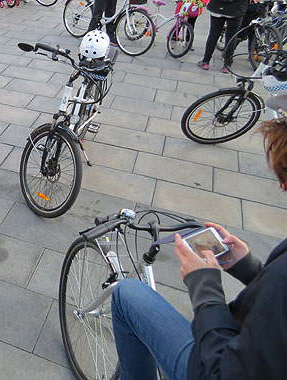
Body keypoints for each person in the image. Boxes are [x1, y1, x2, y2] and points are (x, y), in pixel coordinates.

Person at [111, 91, 287, 380]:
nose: (281, 187)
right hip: (254, 348)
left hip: (213, 363)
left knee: (126, 294)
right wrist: (250, 269)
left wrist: (205, 287)